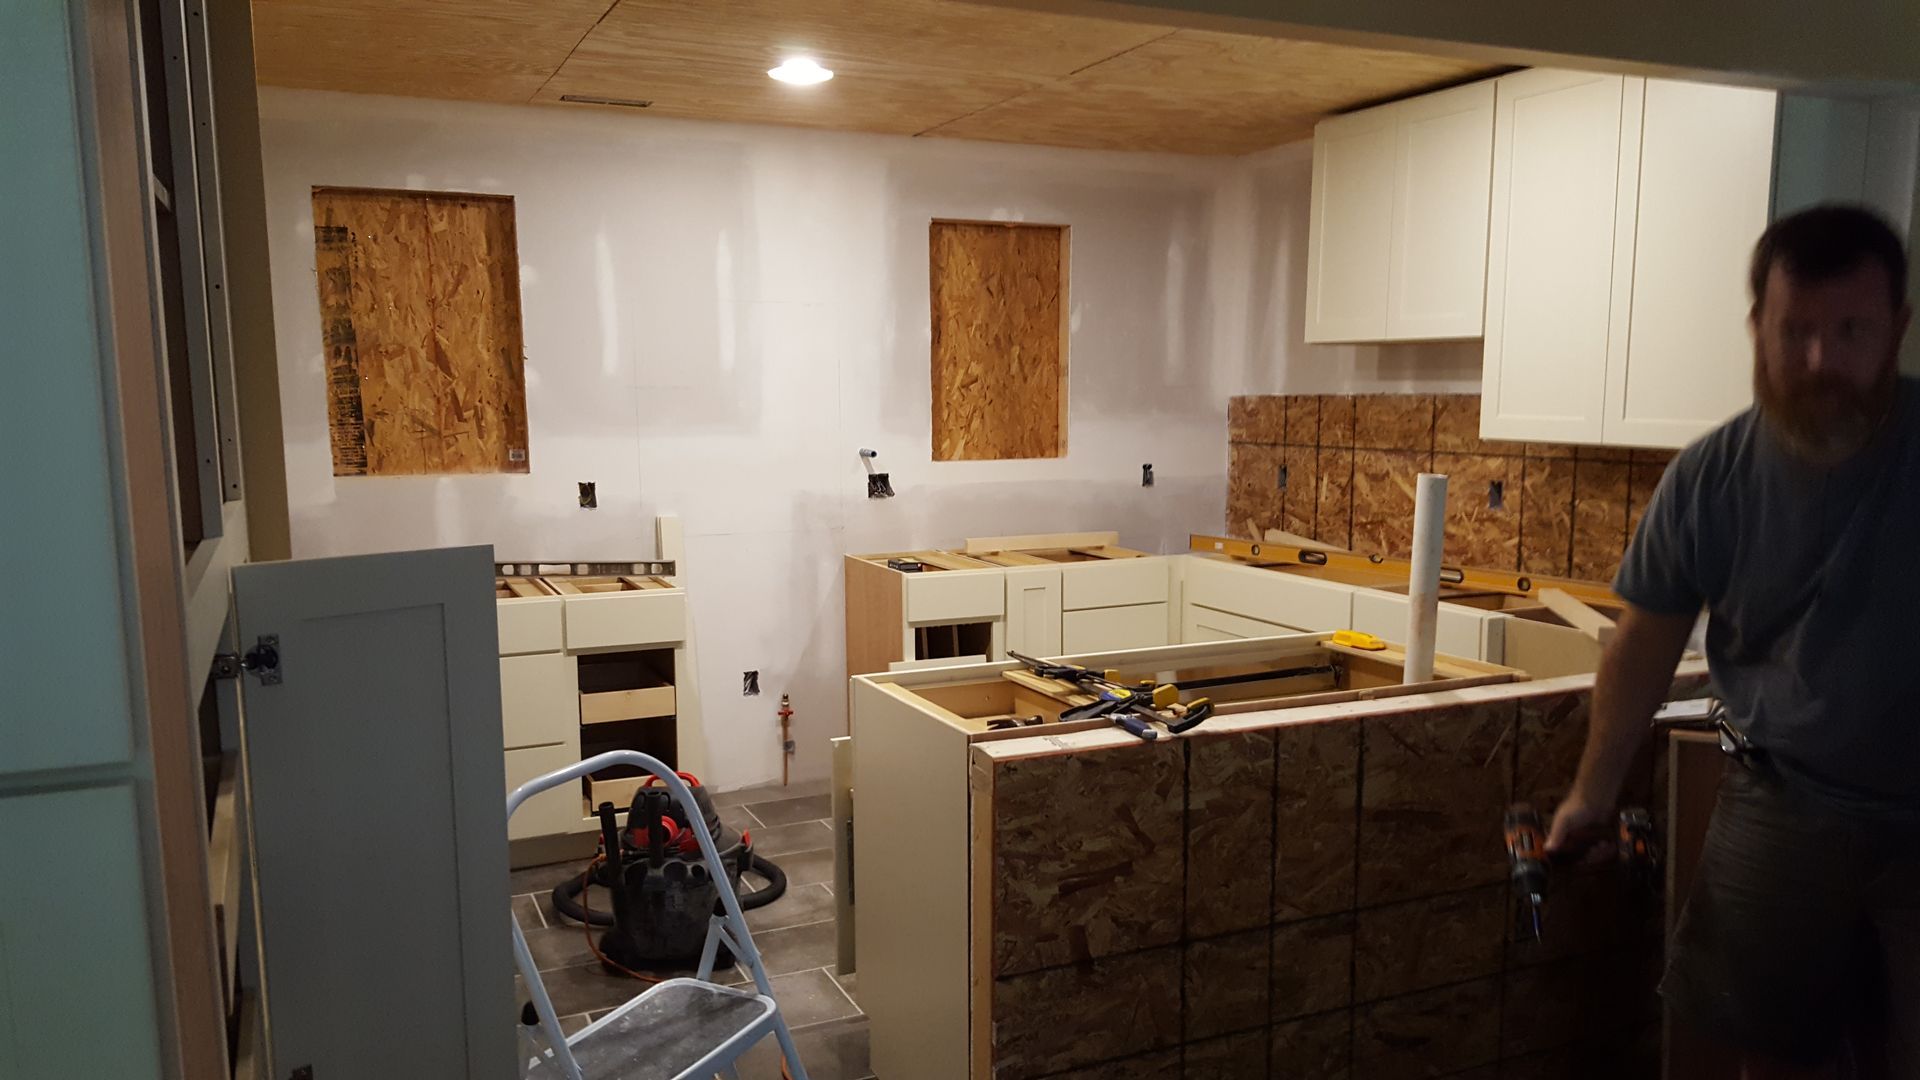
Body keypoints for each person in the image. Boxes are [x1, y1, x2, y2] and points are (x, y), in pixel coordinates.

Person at [1546, 204, 1920, 1080]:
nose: (1820, 361)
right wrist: (1589, 796)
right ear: (1757, 329)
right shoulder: (1712, 475)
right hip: (1778, 799)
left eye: (1850, 330)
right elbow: (1643, 644)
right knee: (1766, 1058)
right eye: (1796, 332)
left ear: (1897, 329)